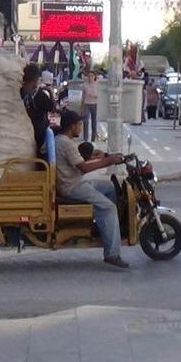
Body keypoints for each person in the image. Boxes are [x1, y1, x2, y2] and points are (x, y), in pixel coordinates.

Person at [55, 110, 129, 269]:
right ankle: (112, 253)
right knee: (109, 207)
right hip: (72, 187)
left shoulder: (62, 141)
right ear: (72, 126)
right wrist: (109, 161)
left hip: (74, 181)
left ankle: (107, 228)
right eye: (80, 125)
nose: (81, 128)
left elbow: (78, 161)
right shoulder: (66, 144)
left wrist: (98, 156)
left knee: (109, 188)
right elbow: (83, 168)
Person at [21, 64, 57, 163]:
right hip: (38, 132)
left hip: (22, 129)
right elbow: (52, 108)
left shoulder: (19, 91)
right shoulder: (40, 94)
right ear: (37, 79)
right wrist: (50, 93)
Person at [81, 72, 98, 142]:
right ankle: (85, 138)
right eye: (89, 76)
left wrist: (93, 95)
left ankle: (93, 139)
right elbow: (83, 96)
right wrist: (81, 105)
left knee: (94, 122)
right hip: (86, 103)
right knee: (85, 121)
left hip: (94, 104)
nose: (90, 78)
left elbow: (99, 95)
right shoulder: (84, 85)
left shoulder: (97, 85)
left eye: (92, 76)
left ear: (94, 77)